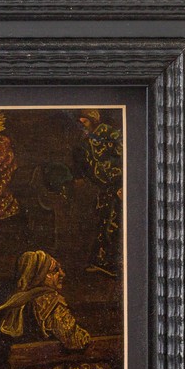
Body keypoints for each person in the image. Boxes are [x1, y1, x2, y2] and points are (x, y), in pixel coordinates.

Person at [72, 109, 123, 277]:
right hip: (105, 188)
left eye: (85, 120)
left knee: (114, 224)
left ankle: (114, 264)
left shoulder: (110, 134)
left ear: (93, 120)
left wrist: (123, 183)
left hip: (118, 186)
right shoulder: (85, 141)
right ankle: (102, 262)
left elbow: (124, 158)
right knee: (104, 222)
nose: (82, 123)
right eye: (80, 120)